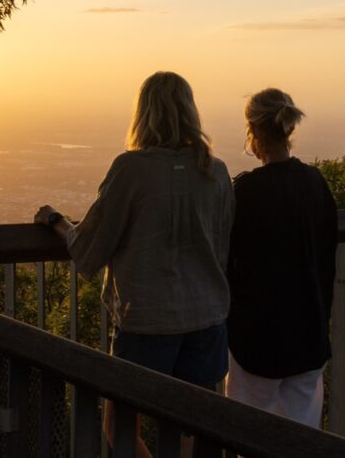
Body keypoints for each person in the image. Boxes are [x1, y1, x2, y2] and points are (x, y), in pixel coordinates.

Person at [36, 71, 234, 456]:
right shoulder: (217, 171)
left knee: (120, 426)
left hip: (147, 319)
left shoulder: (131, 169)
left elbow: (92, 243)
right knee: (191, 428)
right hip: (207, 317)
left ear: (144, 113)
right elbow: (221, 243)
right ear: (190, 110)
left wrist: (56, 222)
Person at [224, 88, 339, 428]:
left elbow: (228, 259)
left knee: (250, 435)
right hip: (309, 337)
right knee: (302, 438)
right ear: (289, 130)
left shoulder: (245, 192)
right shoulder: (315, 184)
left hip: (256, 342)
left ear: (253, 132)